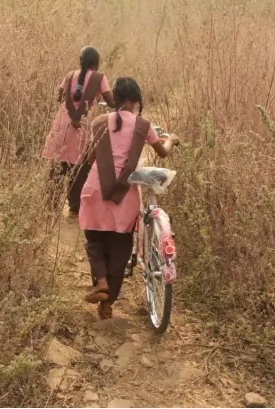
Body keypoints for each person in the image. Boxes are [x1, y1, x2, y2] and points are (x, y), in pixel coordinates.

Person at [80, 77, 178, 320]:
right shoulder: (144, 126)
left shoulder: (100, 122)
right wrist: (172, 139)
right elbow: (163, 153)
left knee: (95, 240)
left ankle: (100, 282)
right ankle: (108, 301)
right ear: (137, 100)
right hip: (124, 199)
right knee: (120, 248)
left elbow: (91, 158)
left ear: (115, 97)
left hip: (95, 190)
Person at [42, 46, 115, 217]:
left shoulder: (69, 76)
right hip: (80, 128)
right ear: (96, 63)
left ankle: (50, 210)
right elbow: (111, 102)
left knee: (57, 166)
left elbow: (59, 98)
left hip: (61, 125)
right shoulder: (99, 78)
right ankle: (75, 208)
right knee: (80, 168)